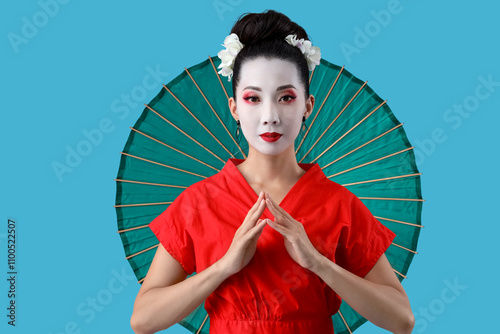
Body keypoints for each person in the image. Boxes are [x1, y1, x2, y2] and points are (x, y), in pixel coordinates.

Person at [130, 9, 415, 334]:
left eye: (286, 97)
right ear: (234, 108)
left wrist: (319, 263)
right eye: (253, 98)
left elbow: (402, 319)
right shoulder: (199, 202)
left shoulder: (339, 203)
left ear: (308, 105)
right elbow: (143, 320)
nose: (270, 116)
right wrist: (223, 268)